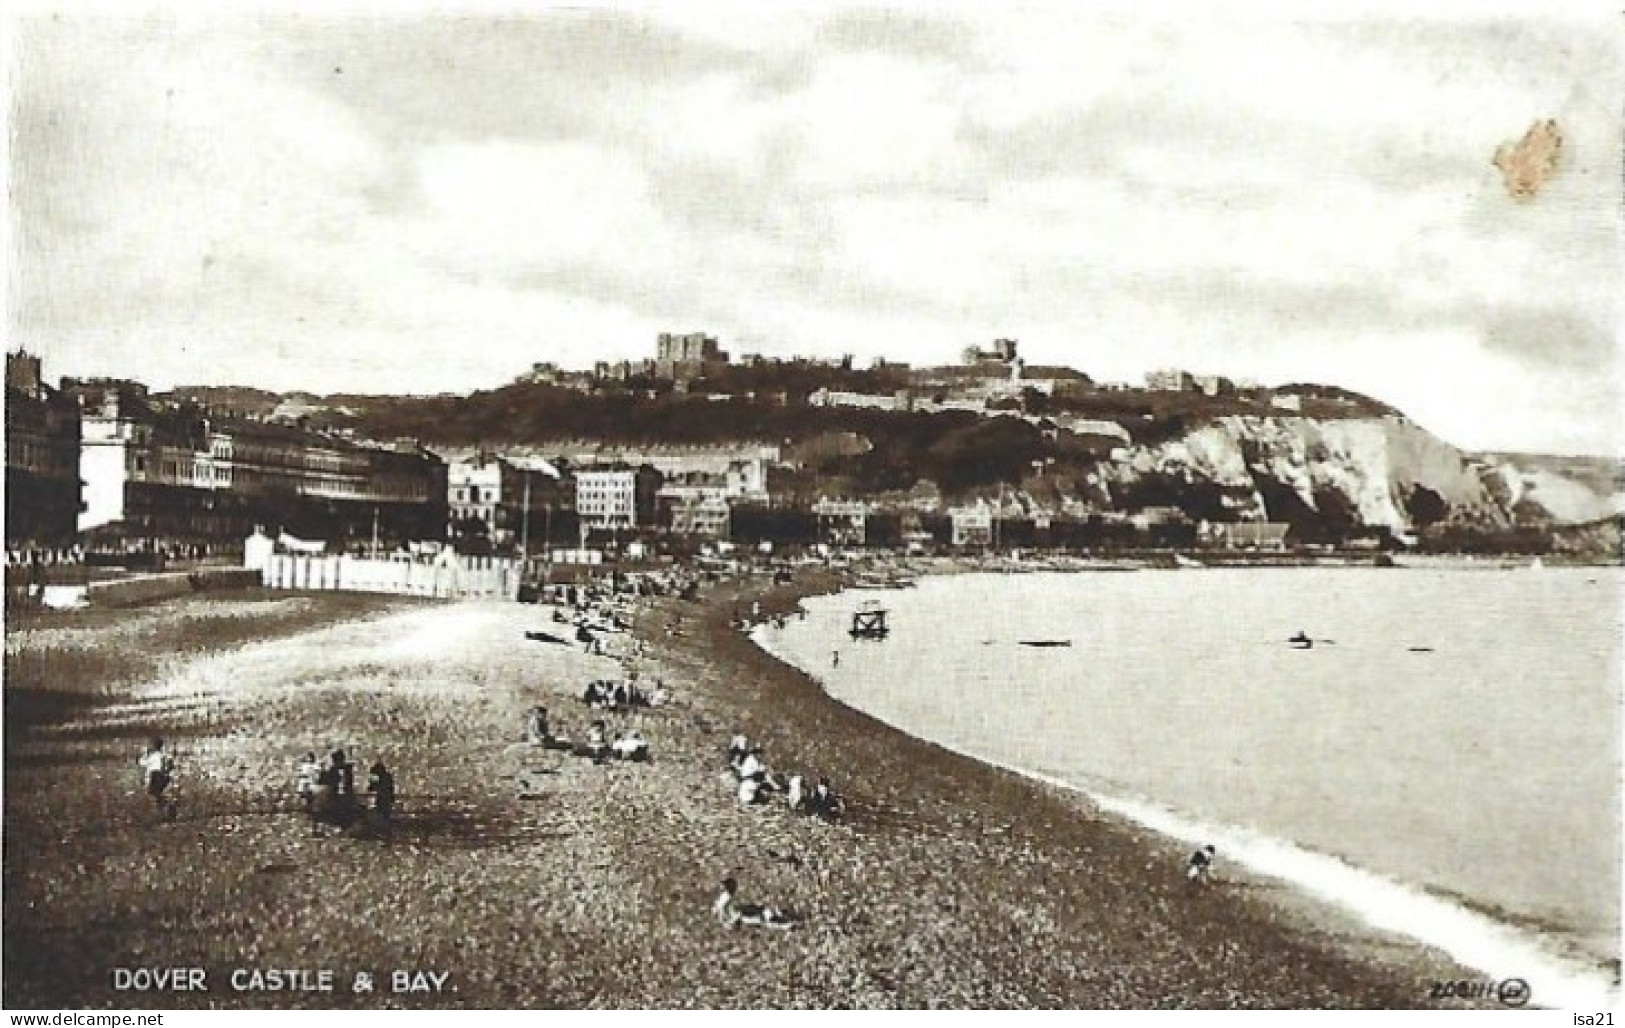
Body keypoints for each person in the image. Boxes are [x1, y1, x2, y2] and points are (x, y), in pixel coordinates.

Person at [139, 737, 175, 820]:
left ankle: (167, 807)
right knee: (158, 795)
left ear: (154, 746)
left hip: (154, 776)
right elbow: (171, 764)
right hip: (163, 777)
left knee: (155, 794)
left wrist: (144, 754)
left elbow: (142, 763)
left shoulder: (152, 756)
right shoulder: (163, 755)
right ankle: (165, 809)